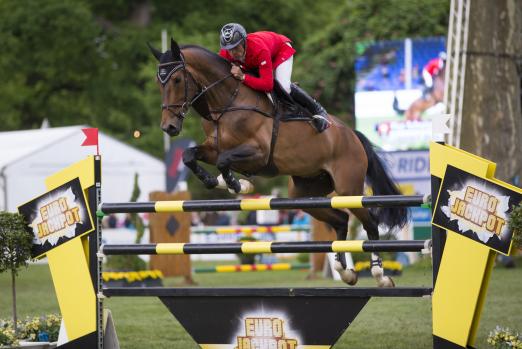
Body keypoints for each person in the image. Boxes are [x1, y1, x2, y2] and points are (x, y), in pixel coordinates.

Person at [218, 23, 330, 132]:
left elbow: (268, 85)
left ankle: (318, 110)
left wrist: (243, 77)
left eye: (236, 48)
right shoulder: (226, 53)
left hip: (280, 50)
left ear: (243, 42)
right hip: (260, 58)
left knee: (283, 85)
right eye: (229, 49)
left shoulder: (259, 49)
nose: (232, 53)